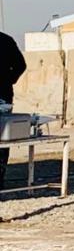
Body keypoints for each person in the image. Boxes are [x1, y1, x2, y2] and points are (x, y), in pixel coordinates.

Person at [0, 30, 26, 190]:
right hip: (3, 95)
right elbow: (20, 66)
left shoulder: (6, 40)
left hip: (3, 95)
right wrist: (8, 80)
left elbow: (20, 66)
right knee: (3, 138)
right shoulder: (6, 40)